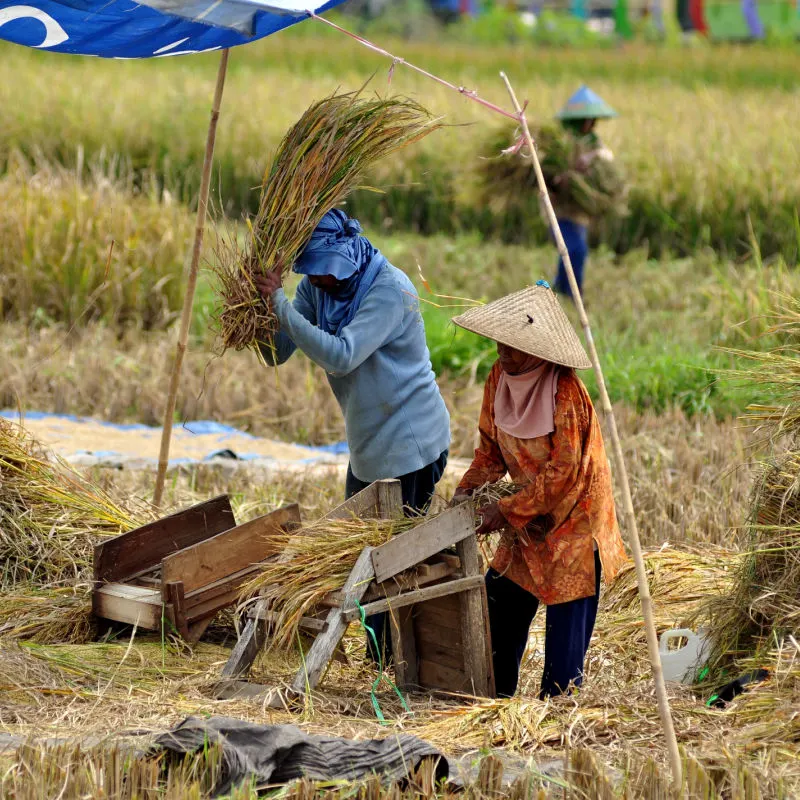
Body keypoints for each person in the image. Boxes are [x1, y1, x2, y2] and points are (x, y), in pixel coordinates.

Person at [254, 208, 451, 663]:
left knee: (390, 561)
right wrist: (260, 310)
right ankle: (376, 657)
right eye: (313, 273)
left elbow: (341, 356)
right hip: (368, 446)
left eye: (324, 272)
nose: (319, 281)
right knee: (360, 554)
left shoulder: (390, 290)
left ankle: (389, 663)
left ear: (345, 257)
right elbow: (277, 353)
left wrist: (281, 307)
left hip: (411, 443)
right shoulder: (316, 288)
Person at [450, 282, 627, 699]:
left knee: (562, 669)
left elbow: (564, 473)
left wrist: (506, 511)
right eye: (499, 344)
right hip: (528, 521)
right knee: (498, 614)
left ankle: (553, 728)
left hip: (575, 527)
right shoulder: (499, 378)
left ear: (539, 351)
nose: (501, 353)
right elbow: (491, 450)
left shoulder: (565, 392)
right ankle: (492, 705)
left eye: (512, 347)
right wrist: (465, 494)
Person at [548, 85, 621, 301]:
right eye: (585, 120)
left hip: (580, 209)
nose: (589, 124)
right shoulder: (560, 143)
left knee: (570, 251)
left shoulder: (593, 143)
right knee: (576, 250)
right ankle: (573, 296)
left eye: (592, 120)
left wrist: (591, 158)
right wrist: (565, 176)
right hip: (559, 208)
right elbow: (547, 173)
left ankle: (558, 290)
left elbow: (606, 156)